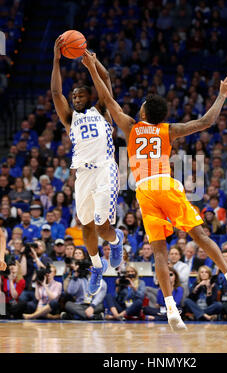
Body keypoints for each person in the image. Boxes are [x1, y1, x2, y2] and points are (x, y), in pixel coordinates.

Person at [84, 52, 227, 332]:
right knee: (199, 235)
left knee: (159, 253)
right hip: (166, 184)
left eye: (142, 106)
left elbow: (108, 99)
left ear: (145, 112)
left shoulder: (131, 127)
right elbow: (206, 123)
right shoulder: (168, 130)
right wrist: (221, 95)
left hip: (145, 192)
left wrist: (90, 67)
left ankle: (171, 307)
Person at [51, 37, 124, 296]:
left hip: (105, 170)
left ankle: (116, 242)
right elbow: (56, 93)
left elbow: (106, 82)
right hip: (82, 174)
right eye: (75, 96)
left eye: (81, 95)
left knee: (103, 227)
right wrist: (57, 59)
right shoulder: (70, 118)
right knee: (86, 226)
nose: (76, 98)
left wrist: (92, 65)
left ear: (89, 96)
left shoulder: (102, 110)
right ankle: (96, 265)